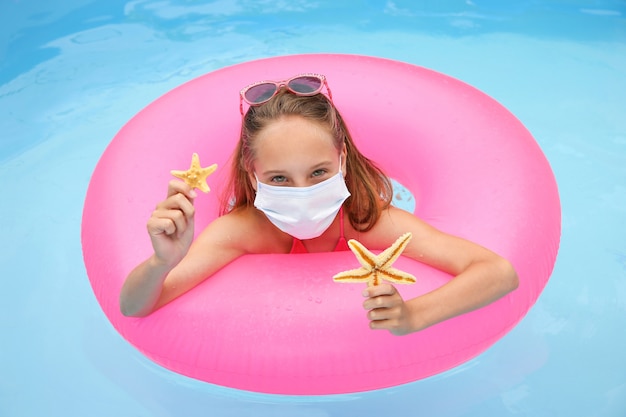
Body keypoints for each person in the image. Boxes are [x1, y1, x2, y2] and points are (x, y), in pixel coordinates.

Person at [119, 73, 519, 335]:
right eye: (279, 178)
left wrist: (415, 315)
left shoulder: (368, 221)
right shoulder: (241, 231)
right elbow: (135, 307)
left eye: (318, 173)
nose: (303, 191)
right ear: (251, 169)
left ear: (342, 159)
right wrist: (162, 262)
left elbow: (498, 272)